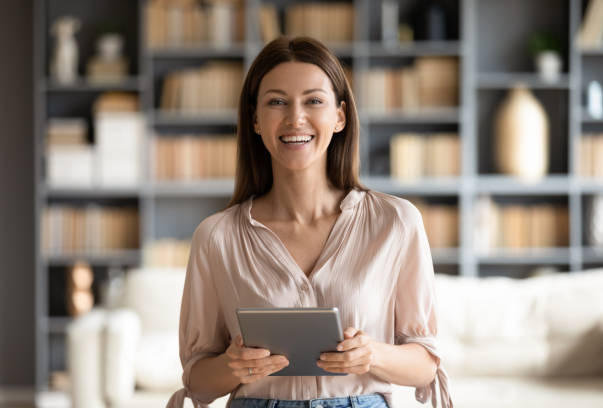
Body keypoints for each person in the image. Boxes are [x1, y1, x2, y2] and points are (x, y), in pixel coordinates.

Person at [166, 36, 453, 408]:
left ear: (340, 116)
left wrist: (373, 355)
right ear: (255, 118)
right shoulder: (216, 237)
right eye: (276, 102)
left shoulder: (395, 223)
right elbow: (198, 380)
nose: (295, 118)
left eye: (314, 100)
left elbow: (425, 366)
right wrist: (232, 366)